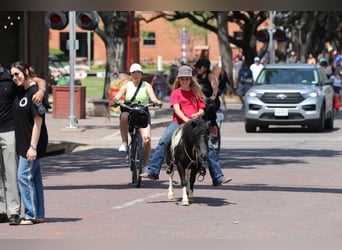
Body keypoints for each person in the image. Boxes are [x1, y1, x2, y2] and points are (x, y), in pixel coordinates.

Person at [140, 65, 232, 186]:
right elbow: (177, 110)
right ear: (179, 80)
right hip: (179, 122)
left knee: (209, 146)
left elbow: (202, 109)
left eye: (187, 79)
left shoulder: (196, 92)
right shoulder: (176, 93)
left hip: (195, 123)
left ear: (191, 80)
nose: (184, 81)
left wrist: (198, 114)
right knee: (163, 141)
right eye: (182, 79)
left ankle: (218, 176)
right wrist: (186, 120)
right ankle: (153, 170)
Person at [0, 62, 46, 226]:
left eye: (17, 74)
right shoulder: (21, 88)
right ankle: (38, 214)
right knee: (34, 178)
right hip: (24, 140)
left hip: (23, 140)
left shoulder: (30, 91)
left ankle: (27, 214)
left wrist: (33, 146)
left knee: (20, 176)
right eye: (13, 75)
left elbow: (38, 122)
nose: (15, 77)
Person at [112, 63, 162, 169]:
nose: (136, 74)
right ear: (131, 74)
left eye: (138, 72)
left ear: (141, 74)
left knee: (147, 140)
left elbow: (153, 98)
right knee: (124, 116)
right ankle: (124, 143)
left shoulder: (147, 85)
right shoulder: (127, 85)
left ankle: (146, 166)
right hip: (130, 111)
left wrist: (157, 101)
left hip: (143, 113)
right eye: (134, 72)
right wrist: (115, 101)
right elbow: (117, 96)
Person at [194, 57, 220, 137]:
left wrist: (213, 96)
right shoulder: (196, 78)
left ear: (205, 68)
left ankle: (213, 126)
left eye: (199, 67)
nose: (197, 69)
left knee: (210, 109)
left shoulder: (210, 76)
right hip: (201, 100)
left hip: (211, 100)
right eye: (196, 67)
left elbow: (215, 88)